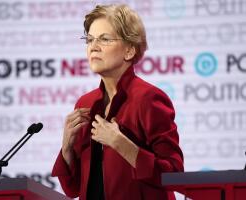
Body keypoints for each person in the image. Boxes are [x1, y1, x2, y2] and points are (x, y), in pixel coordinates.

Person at [52, 4, 184, 200]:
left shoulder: (148, 98)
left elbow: (173, 175)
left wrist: (121, 144)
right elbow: (72, 189)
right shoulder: (86, 103)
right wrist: (67, 148)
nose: (93, 47)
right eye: (89, 40)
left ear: (129, 50)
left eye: (104, 39)